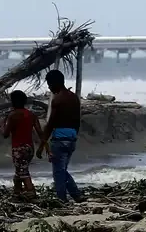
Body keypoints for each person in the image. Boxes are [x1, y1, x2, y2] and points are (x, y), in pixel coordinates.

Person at [40, 69, 85, 203]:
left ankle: (62, 199)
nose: (49, 87)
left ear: (55, 83)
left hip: (59, 138)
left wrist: (42, 143)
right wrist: (74, 135)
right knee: (62, 170)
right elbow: (77, 120)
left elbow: (51, 123)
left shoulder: (58, 99)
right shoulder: (74, 97)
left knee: (58, 172)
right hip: (71, 137)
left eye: (49, 84)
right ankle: (76, 195)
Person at [1, 89, 46, 196]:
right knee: (19, 171)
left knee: (23, 172)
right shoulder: (31, 115)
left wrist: (2, 124)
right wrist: (43, 147)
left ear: (13, 102)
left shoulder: (13, 115)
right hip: (29, 148)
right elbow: (40, 132)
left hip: (18, 148)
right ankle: (17, 192)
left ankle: (31, 192)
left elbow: (5, 134)